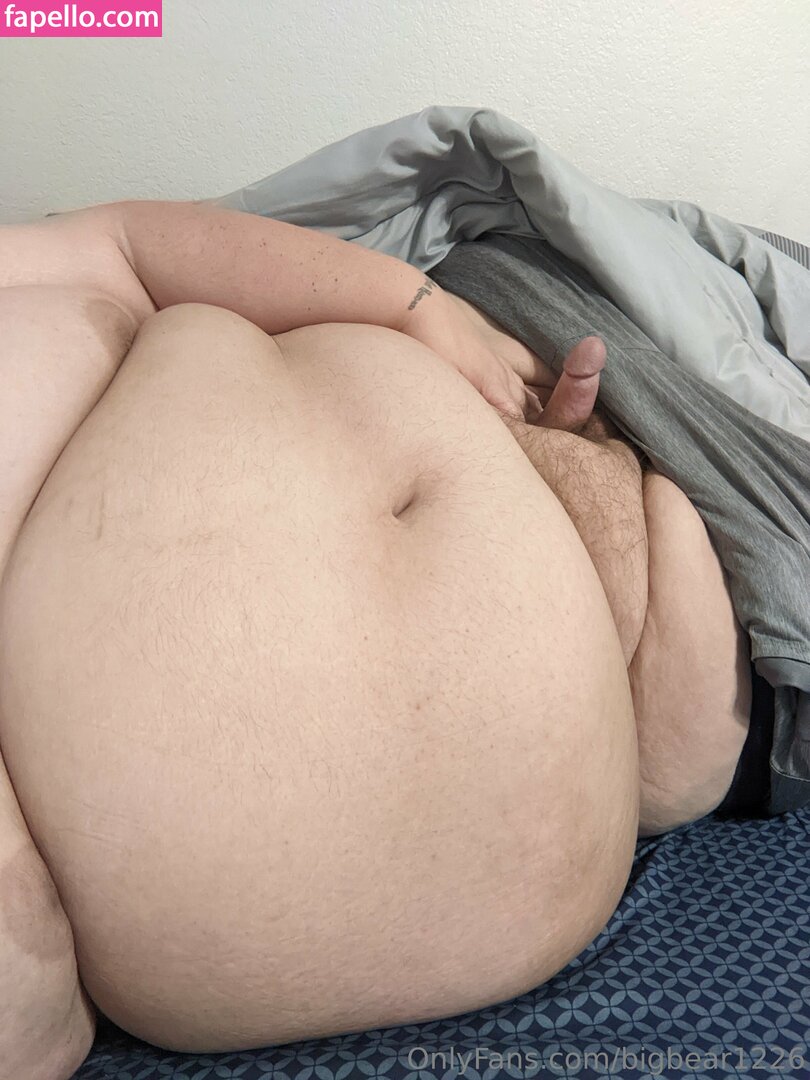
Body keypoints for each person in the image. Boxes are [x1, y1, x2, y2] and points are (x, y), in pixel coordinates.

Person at [0, 201, 750, 1079]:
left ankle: (652, 731)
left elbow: (131, 244)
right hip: (351, 877)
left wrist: (419, 306)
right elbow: (126, 247)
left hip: (558, 830)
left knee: (622, 488)